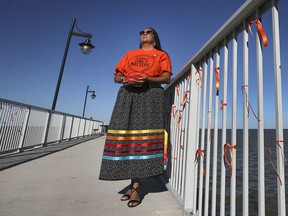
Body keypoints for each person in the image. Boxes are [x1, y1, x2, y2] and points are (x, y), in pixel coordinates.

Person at [99, 27, 172, 208]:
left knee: (142, 140)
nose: (144, 33)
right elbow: (117, 75)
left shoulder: (161, 55)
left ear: (155, 37)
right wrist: (123, 79)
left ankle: (136, 187)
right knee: (125, 137)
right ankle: (133, 185)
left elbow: (166, 77)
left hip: (150, 96)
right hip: (127, 95)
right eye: (142, 32)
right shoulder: (129, 54)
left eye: (148, 31)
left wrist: (147, 78)